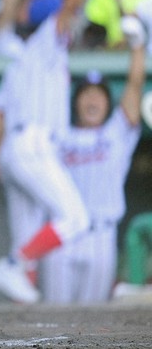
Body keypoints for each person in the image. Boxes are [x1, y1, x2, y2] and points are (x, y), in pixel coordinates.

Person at [0, 0, 112, 304]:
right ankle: (13, 264)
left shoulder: (18, 60)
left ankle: (19, 308)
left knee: (26, 237)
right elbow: (69, 6)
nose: (71, 26)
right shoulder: (46, 43)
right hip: (35, 147)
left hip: (15, 149)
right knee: (74, 219)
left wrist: (0, 161)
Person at [40, 22, 146, 304]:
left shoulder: (115, 134)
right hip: (62, 235)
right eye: (86, 93)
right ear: (76, 102)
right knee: (54, 317)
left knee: (94, 319)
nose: (92, 99)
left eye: (98, 94)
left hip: (101, 234)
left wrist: (138, 47)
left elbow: (135, 87)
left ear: (107, 102)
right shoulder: (61, 135)